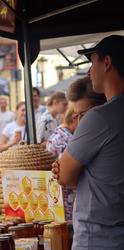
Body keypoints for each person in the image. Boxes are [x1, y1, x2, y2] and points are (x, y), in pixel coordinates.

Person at [52, 35, 124, 250]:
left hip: (100, 237)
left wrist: (70, 169)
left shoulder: (100, 117)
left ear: (107, 63)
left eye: (92, 62)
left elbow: (64, 175)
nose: (90, 71)